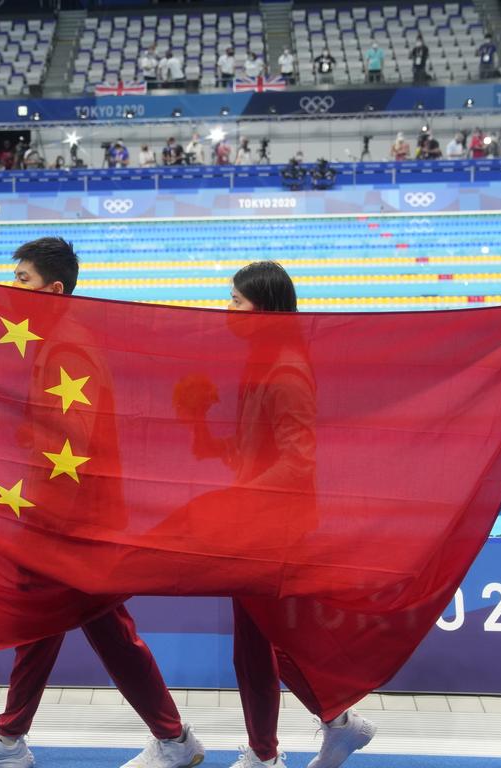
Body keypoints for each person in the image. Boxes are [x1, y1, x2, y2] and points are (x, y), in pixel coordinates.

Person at [0, 239, 205, 768]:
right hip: (72, 514)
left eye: (22, 279)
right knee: (96, 629)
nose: (11, 288)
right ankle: (171, 739)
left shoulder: (66, 346)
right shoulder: (57, 341)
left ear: (53, 289)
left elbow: (73, 441)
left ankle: (13, 740)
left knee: (56, 624)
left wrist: (24, 446)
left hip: (68, 519)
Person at [178, 262, 377, 768]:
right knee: (255, 647)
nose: (227, 310)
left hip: (279, 531)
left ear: (263, 309)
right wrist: (199, 422)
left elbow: (297, 464)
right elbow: (242, 456)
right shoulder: (261, 363)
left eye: (236, 302)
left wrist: (240, 498)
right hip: (256, 527)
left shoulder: (286, 372)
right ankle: (295, 741)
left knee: (272, 645)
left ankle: (314, 733)